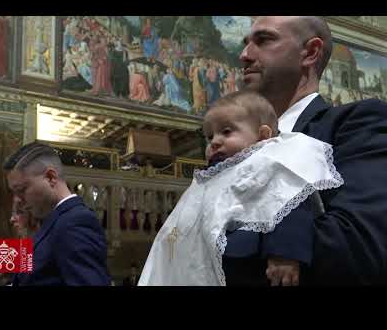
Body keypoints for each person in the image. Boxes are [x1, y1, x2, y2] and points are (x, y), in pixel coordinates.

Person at [239, 16, 387, 285]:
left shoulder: (364, 123)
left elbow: (357, 249)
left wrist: (217, 247)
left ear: (310, 53)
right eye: (245, 43)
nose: (244, 55)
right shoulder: (236, 146)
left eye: (263, 40)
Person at [138, 91, 343, 286]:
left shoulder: (269, 161)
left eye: (226, 131)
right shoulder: (207, 179)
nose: (215, 142)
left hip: (249, 264)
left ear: (263, 135)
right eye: (209, 137)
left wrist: (284, 254)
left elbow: (287, 202)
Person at [4, 142, 111, 286]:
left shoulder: (75, 223)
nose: (18, 199)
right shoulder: (53, 221)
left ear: (50, 177)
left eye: (22, 190)